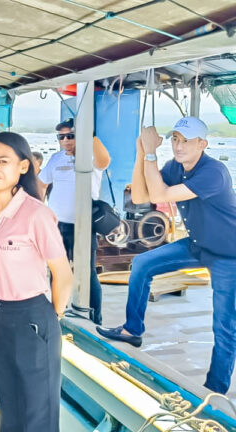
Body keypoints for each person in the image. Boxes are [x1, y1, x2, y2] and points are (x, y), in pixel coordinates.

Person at [97, 118, 236, 394]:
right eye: (174, 139)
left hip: (228, 254)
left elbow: (161, 194)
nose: (178, 146)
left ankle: (215, 391)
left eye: (186, 141)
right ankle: (132, 329)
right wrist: (141, 152)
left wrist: (151, 153)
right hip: (198, 244)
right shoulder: (175, 168)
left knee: (224, 325)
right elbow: (140, 197)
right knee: (142, 263)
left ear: (203, 144)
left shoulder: (214, 172)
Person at [0, 132, 72, 432]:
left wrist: (53, 316)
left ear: (23, 166)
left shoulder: (36, 214)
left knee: (38, 410)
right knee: (7, 402)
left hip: (31, 315)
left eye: (3, 161)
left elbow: (63, 273)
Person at [38, 118, 110, 324]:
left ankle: (95, 319)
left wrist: (90, 135)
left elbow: (104, 161)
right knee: (56, 271)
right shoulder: (56, 159)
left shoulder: (90, 158)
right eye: (61, 137)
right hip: (57, 225)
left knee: (87, 273)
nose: (66, 141)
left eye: (71, 136)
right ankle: (56, 314)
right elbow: (41, 184)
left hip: (83, 225)